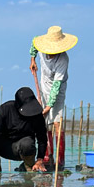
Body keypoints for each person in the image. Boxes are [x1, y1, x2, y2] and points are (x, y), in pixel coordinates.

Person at [30, 26, 77, 167]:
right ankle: (46, 156)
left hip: (58, 87)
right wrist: (32, 59)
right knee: (44, 123)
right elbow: (33, 43)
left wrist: (49, 106)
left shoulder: (63, 59)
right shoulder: (42, 48)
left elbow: (56, 86)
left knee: (57, 122)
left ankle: (60, 160)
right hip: (44, 83)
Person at [0, 87, 48, 173]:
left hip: (22, 149)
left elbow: (42, 139)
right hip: (3, 146)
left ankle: (29, 166)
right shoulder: (5, 109)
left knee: (27, 143)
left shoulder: (37, 115)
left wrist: (40, 160)